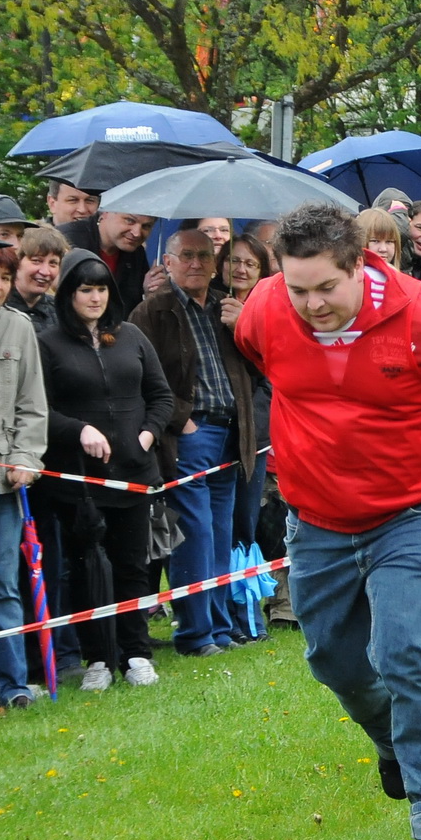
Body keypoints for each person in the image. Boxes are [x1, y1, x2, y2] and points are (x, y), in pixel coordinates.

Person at [234, 202, 421, 840]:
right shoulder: (265, 310)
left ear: (361, 264)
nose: (312, 304)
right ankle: (394, 739)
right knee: (333, 659)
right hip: (317, 519)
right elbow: (258, 353)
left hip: (410, 512)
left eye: (326, 288)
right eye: (299, 290)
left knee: (410, 652)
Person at [37, 250, 173, 691]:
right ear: (69, 295)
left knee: (132, 565)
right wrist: (78, 430)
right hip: (79, 478)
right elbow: (40, 408)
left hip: (133, 472)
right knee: (86, 567)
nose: (94, 298)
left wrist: (147, 436)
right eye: (84, 289)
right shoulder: (49, 342)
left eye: (101, 289)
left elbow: (161, 397)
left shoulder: (131, 335)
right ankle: (97, 657)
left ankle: (135, 653)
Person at [131, 229, 262, 653]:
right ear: (167, 262)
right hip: (189, 435)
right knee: (197, 535)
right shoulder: (153, 311)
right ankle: (195, 634)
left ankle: (221, 630)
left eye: (204, 256)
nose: (195, 263)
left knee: (222, 534)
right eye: (186, 255)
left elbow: (260, 369)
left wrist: (244, 325)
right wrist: (180, 421)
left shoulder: (227, 308)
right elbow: (140, 381)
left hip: (232, 434)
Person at [0, 233, 45, 714]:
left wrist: (26, 460)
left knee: (4, 584)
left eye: (5, 276)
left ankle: (13, 685)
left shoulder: (19, 327)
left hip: (2, 484)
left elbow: (33, 405)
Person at [215, 233, 275, 590]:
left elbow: (275, 369)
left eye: (250, 263)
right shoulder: (209, 305)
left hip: (257, 431)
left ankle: (247, 608)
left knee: (247, 520)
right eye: (233, 261)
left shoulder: (270, 309)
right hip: (218, 427)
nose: (240, 269)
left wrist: (244, 326)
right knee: (220, 522)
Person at [58, 209, 164, 321]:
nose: (137, 233)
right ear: (105, 212)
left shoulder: (136, 254)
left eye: (146, 226)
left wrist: (147, 293)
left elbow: (131, 311)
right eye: (129, 220)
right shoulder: (67, 241)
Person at [8, 226, 67, 330]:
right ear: (17, 262)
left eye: (53, 263)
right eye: (37, 261)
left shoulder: (62, 311)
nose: (45, 272)